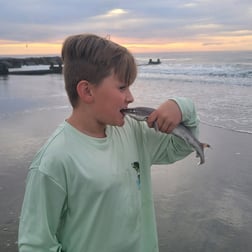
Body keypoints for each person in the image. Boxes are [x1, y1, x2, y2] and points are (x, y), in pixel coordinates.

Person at [18, 33, 199, 252]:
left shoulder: (133, 131)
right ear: (87, 91)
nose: (130, 97)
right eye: (122, 88)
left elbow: (182, 146)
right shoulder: (54, 160)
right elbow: (35, 244)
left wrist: (181, 107)